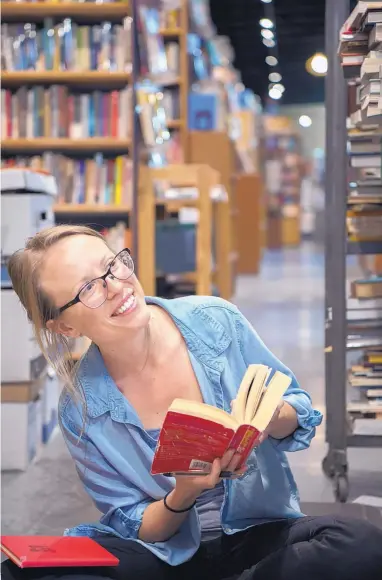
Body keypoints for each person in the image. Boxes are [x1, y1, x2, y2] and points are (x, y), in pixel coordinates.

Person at [2, 224, 382, 580]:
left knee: (360, 543)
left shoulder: (215, 320)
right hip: (163, 554)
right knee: (16, 571)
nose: (117, 286)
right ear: (65, 326)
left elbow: (298, 409)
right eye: (89, 288)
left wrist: (270, 417)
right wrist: (183, 493)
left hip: (256, 535)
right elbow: (139, 527)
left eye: (112, 265)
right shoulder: (79, 410)